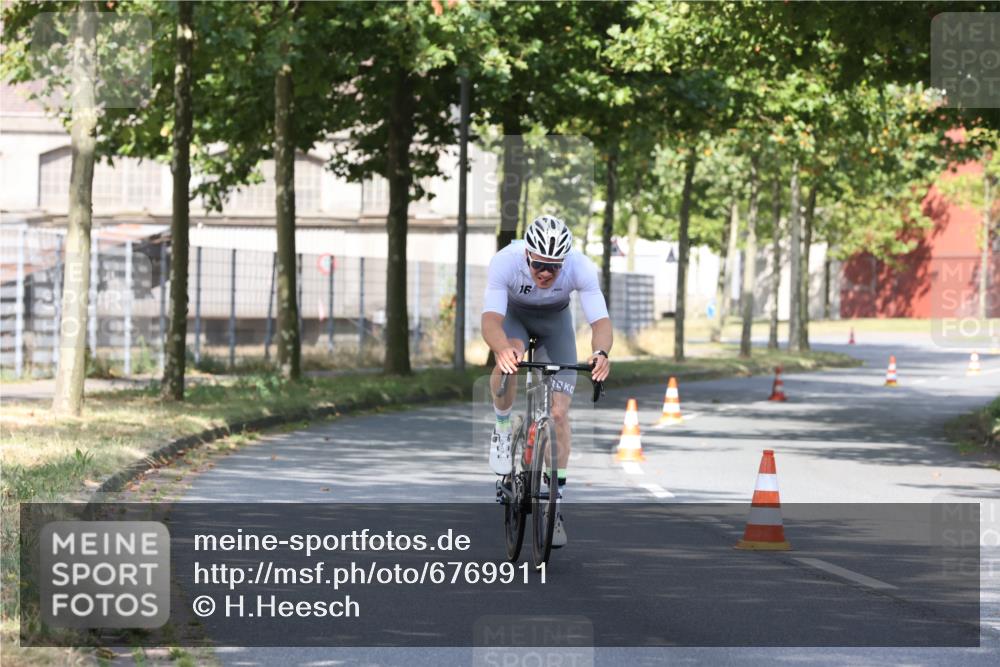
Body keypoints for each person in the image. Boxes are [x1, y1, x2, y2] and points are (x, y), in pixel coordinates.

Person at [481, 214, 612, 547]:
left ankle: (556, 503)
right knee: (510, 355)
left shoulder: (580, 266)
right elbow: (491, 320)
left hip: (556, 323)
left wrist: (601, 352)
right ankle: (502, 427)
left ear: (564, 262)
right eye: (539, 264)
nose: (545, 272)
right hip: (515, 317)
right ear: (527, 255)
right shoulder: (505, 261)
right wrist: (501, 349)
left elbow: (600, 321)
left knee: (558, 414)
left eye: (553, 267)